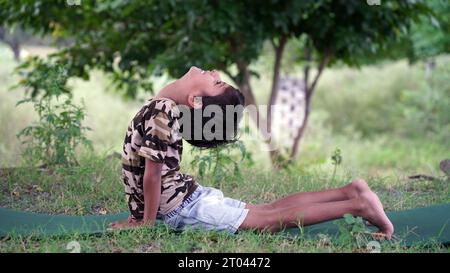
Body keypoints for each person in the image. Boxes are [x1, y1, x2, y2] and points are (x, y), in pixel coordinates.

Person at [110, 66, 394, 239]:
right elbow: (176, 92)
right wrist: (195, 82)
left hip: (183, 209)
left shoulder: (162, 110)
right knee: (267, 211)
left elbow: (153, 176)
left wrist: (146, 223)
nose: (215, 73)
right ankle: (350, 190)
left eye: (216, 82)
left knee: (268, 220)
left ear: (194, 100)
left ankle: (355, 204)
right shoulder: (165, 105)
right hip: (188, 197)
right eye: (218, 81)